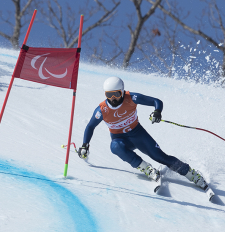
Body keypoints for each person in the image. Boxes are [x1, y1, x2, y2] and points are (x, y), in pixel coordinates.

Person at [79, 76, 208, 190]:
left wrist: (157, 111)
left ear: (122, 92)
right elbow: (90, 127)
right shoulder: (102, 110)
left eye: (116, 94)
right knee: (115, 146)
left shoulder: (131, 98)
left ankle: (191, 174)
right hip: (121, 141)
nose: (113, 99)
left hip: (138, 135)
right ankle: (146, 168)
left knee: (161, 157)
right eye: (109, 95)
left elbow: (156, 101)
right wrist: (85, 145)